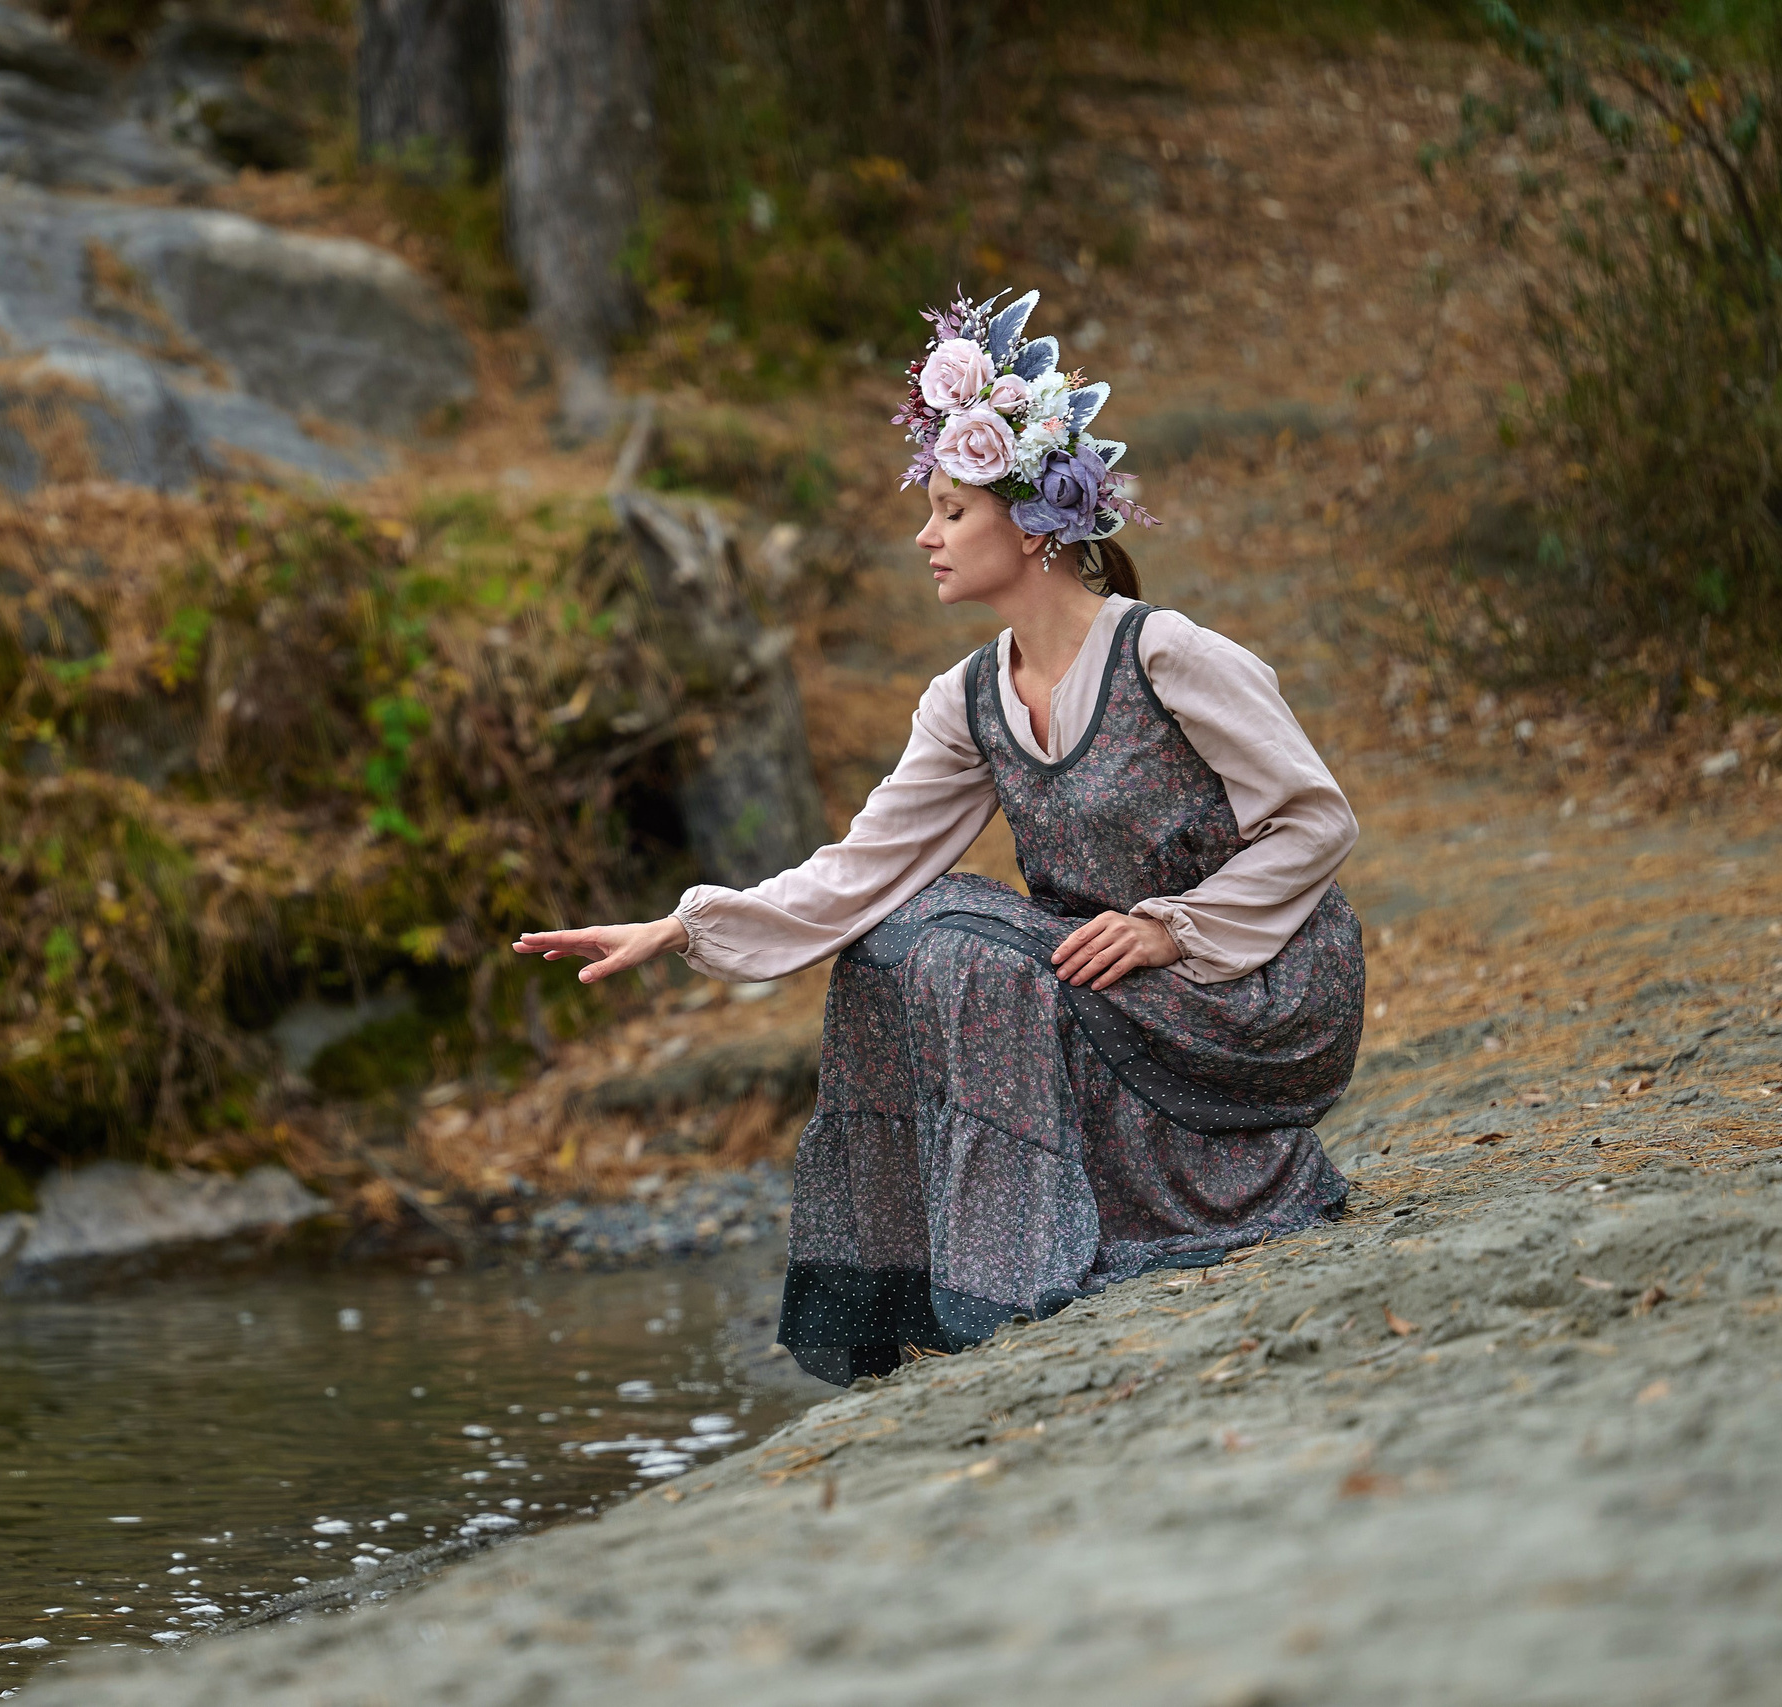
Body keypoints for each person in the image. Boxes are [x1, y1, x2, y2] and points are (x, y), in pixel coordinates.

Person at [513, 289, 1364, 1386]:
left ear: (1034, 523)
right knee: (892, 935)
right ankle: (927, 1286)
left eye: (951, 511)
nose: (926, 536)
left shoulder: (1168, 654)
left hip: (1254, 982)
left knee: (956, 940)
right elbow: (861, 873)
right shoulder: (964, 699)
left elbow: (1317, 819)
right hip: (1102, 982)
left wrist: (1169, 929)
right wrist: (684, 925)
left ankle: (1022, 1266)